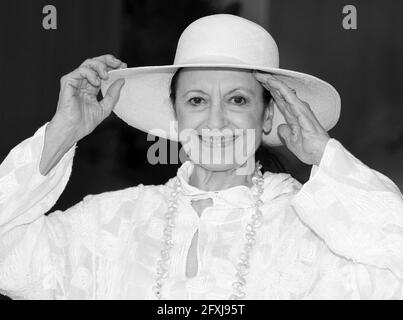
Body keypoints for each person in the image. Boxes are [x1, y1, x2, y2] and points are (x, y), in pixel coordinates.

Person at [1, 14, 402, 300]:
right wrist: (61, 133)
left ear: (267, 116)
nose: (215, 120)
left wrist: (324, 155)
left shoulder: (312, 232)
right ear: (175, 115)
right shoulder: (112, 222)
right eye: (196, 100)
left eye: (238, 99)